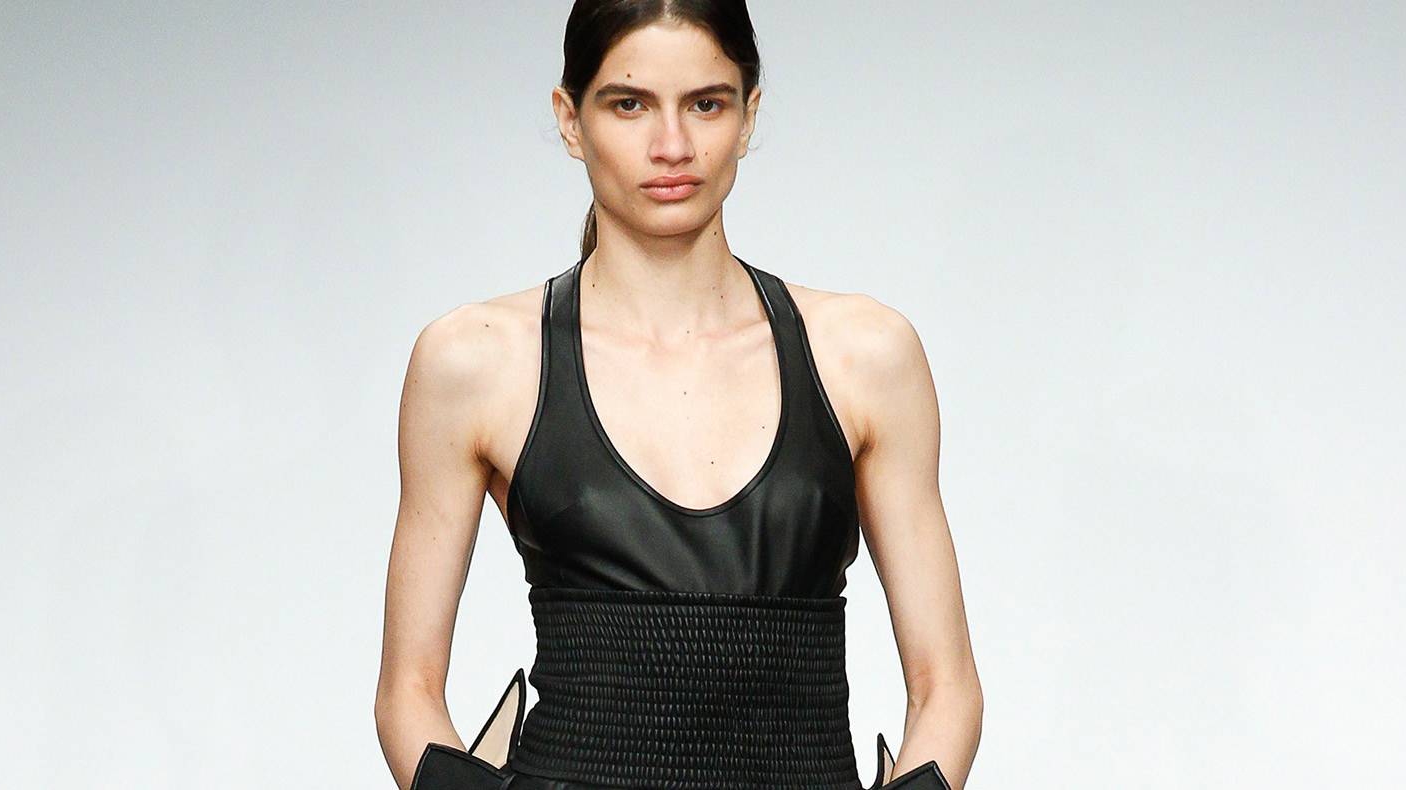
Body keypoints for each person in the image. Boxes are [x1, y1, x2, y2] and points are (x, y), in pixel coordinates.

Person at [374, 2, 983, 788]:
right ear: (570, 120)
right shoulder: (476, 363)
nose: (672, 146)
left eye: (706, 104)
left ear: (748, 115)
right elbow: (407, 692)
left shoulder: (864, 356)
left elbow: (946, 686)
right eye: (629, 104)